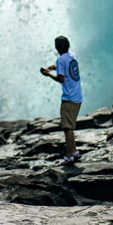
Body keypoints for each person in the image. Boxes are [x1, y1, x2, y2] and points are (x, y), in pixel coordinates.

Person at [40, 35, 83, 165]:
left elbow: (61, 79)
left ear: (56, 47)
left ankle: (69, 156)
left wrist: (48, 74)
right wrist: (54, 67)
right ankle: (74, 152)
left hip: (69, 98)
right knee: (69, 126)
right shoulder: (71, 55)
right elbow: (67, 69)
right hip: (77, 96)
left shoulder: (60, 59)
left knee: (67, 128)